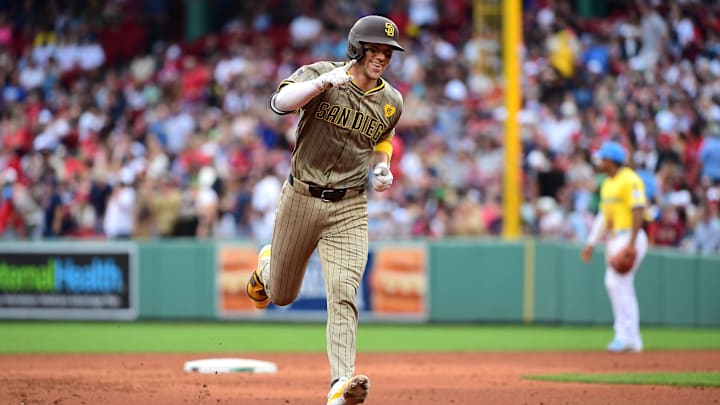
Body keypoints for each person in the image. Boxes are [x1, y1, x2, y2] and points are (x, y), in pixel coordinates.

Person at [246, 15, 404, 405]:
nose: (382, 56)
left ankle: (341, 383)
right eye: (375, 48)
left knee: (343, 291)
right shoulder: (320, 73)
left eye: (387, 51)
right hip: (301, 196)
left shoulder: (391, 101)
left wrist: (383, 166)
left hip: (350, 206)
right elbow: (279, 103)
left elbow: (383, 137)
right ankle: (267, 267)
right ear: (356, 47)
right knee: (281, 294)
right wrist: (318, 85)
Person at [581, 141, 648, 353]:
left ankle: (625, 336)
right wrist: (591, 242)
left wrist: (631, 244)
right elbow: (603, 215)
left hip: (630, 235)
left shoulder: (630, 179)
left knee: (617, 282)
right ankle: (631, 338)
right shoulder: (607, 183)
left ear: (611, 160)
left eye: (602, 158)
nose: (599, 161)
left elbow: (638, 210)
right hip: (615, 237)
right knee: (619, 285)